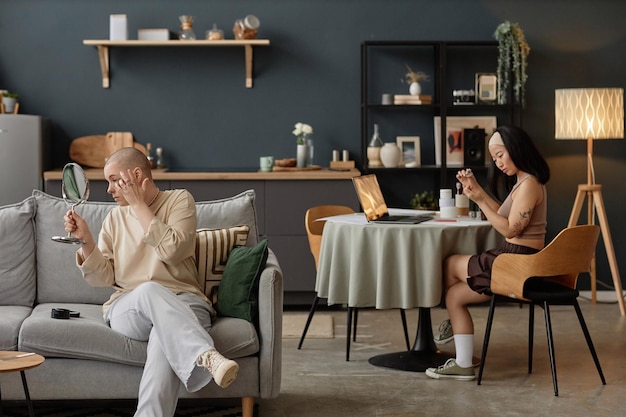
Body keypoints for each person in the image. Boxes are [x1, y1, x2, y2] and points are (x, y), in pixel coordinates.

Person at [63, 147, 239, 416]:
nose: (109, 189)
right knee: (149, 291)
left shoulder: (179, 201)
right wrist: (86, 240)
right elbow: (103, 279)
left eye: (113, 180)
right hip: (129, 308)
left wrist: (138, 206)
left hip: (185, 304)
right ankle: (205, 355)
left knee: (163, 336)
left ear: (135, 175)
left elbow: (173, 251)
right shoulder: (114, 217)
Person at [425, 125, 550, 381]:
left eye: (501, 155)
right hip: (515, 259)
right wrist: (477, 193)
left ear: (516, 148)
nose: (498, 163)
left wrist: (480, 200)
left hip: (517, 264)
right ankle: (463, 362)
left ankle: (451, 325)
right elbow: (503, 215)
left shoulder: (529, 185)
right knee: (455, 296)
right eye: (494, 158)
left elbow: (509, 228)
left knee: (450, 263)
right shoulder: (523, 183)